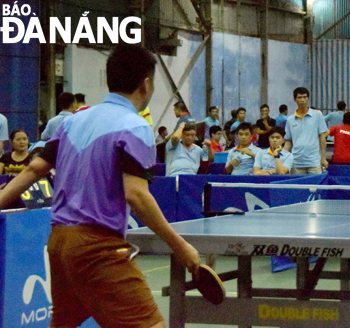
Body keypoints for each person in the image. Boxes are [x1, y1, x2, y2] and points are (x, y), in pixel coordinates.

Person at [0, 44, 201, 328]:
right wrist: (179, 246)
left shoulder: (74, 120)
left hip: (59, 243)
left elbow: (34, 168)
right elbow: (136, 195)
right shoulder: (135, 126)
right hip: (97, 248)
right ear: (146, 84)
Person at [285, 87, 329, 174]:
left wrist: (323, 158)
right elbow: (288, 141)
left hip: (314, 163)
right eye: (300, 97)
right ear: (295, 99)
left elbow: (322, 137)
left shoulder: (318, 115)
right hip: (296, 163)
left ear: (308, 98)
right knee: (298, 187)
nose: (302, 100)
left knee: (315, 187)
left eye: (305, 97)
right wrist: (282, 156)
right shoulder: (290, 119)